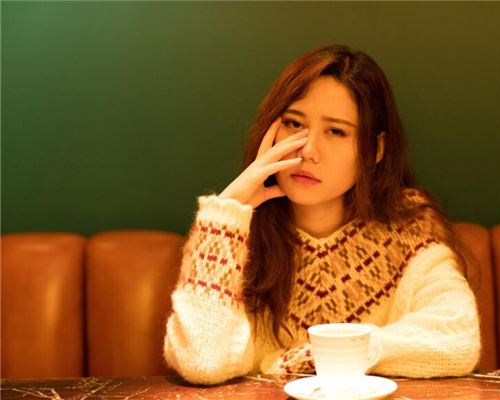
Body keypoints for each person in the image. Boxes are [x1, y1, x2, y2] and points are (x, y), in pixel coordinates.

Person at [163, 44, 481, 385]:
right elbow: (202, 361)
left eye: (336, 131)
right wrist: (227, 212)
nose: (309, 150)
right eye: (293, 124)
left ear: (375, 150)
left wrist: (316, 357)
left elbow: (457, 338)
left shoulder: (407, 225)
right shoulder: (231, 231)